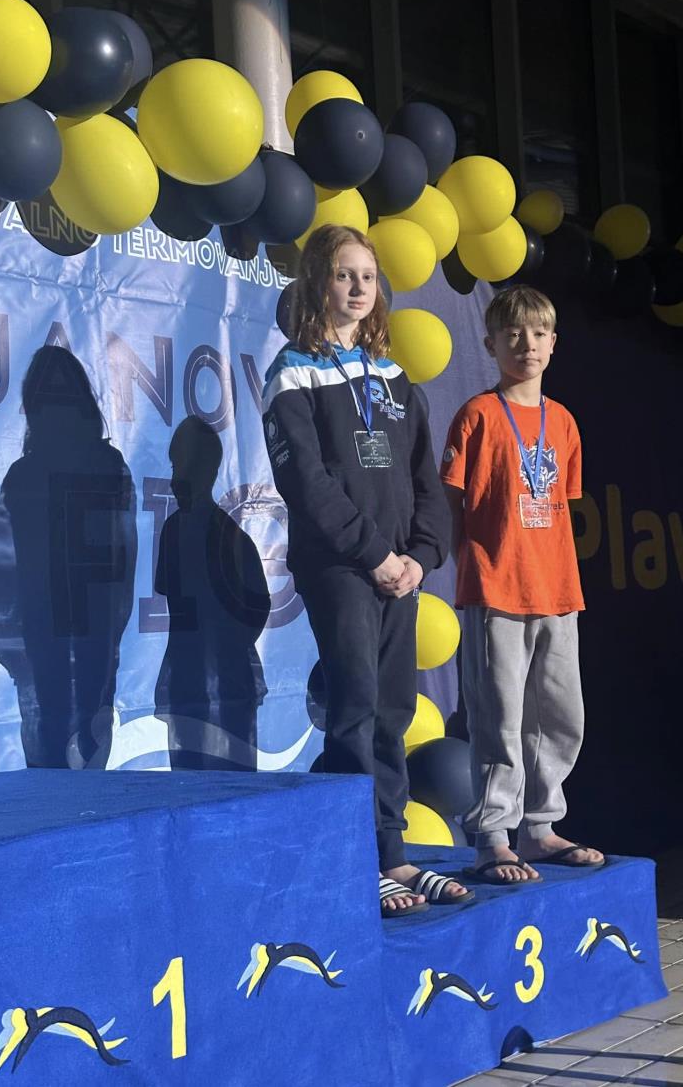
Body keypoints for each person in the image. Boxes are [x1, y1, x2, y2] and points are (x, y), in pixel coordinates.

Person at [261, 223, 472, 916]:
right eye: (343, 275)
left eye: (368, 277)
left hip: (398, 570)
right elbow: (307, 483)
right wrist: (374, 553)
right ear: (317, 283)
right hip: (342, 568)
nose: (357, 288)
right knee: (354, 705)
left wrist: (420, 557)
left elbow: (424, 483)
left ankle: (393, 854)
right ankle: (358, 860)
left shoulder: (393, 378)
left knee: (394, 710)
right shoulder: (292, 372)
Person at [440, 286, 604, 885]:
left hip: (557, 588)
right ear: (490, 345)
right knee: (499, 714)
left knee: (559, 713)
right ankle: (492, 836)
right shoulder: (478, 415)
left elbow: (558, 504)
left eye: (537, 333)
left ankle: (540, 826)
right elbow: (453, 501)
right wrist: (472, 566)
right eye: (512, 334)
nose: (526, 344)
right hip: (496, 587)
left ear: (553, 344)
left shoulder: (563, 421)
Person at [0, 345, 136, 768]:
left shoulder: (27, 475)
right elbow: (123, 572)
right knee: (76, 765)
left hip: (62, 647)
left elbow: (5, 580)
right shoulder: (105, 466)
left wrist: (16, 654)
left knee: (63, 770)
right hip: (68, 647)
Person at [154, 416, 270, 770]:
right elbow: (173, 601)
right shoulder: (174, 531)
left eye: (184, 467)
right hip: (189, 679)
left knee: (230, 778)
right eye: (174, 467)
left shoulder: (231, 538)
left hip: (226, 683)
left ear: (209, 472)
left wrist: (228, 648)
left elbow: (257, 606)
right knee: (190, 777)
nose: (176, 479)